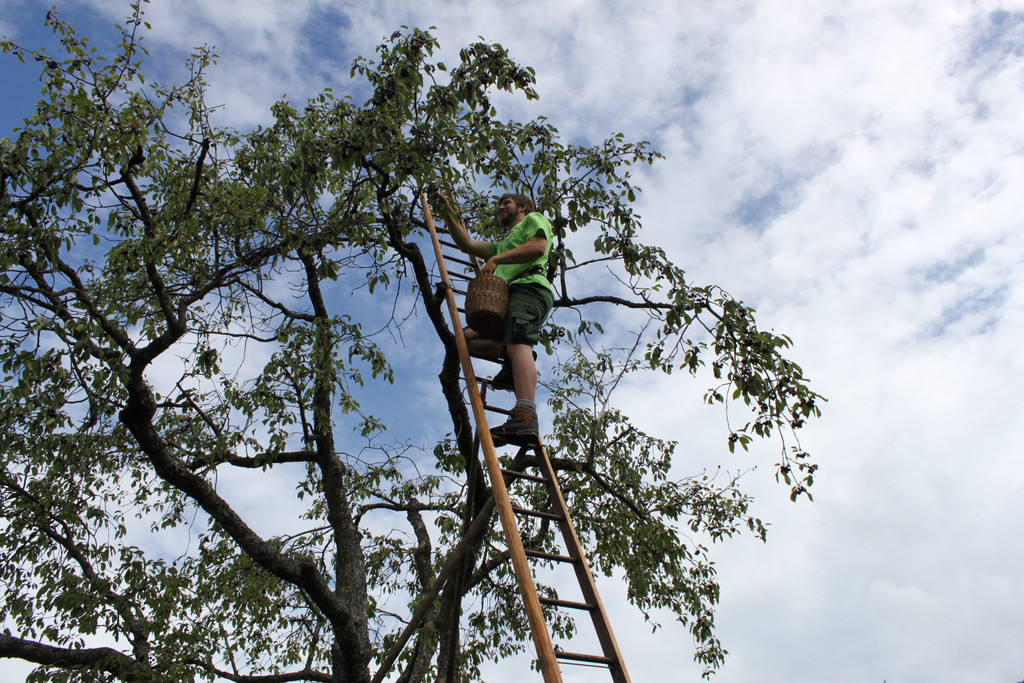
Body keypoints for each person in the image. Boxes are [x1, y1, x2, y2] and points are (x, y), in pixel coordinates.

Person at [437, 192, 555, 446]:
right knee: (463, 341)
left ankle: (525, 415)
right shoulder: (503, 244)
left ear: (522, 207)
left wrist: (496, 260)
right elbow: (467, 245)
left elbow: (538, 247)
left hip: (528, 288)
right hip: (508, 299)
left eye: (506, 203)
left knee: (519, 344)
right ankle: (513, 358)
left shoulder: (533, 219)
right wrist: (447, 213)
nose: (501, 207)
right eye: (500, 204)